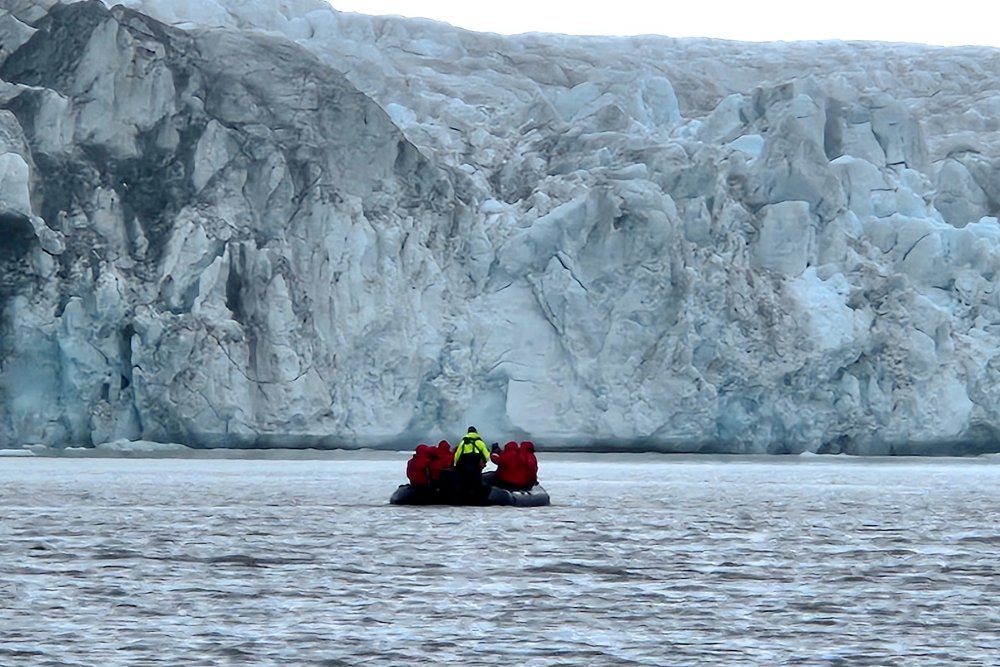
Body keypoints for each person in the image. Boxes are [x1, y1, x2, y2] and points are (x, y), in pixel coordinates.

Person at [453, 426, 491, 500]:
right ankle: (477, 498)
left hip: (464, 465)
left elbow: (458, 454)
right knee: (476, 482)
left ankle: (464, 498)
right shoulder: (479, 442)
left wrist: (455, 463)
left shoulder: (463, 442)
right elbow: (486, 453)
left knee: (464, 482)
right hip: (476, 465)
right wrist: (487, 461)